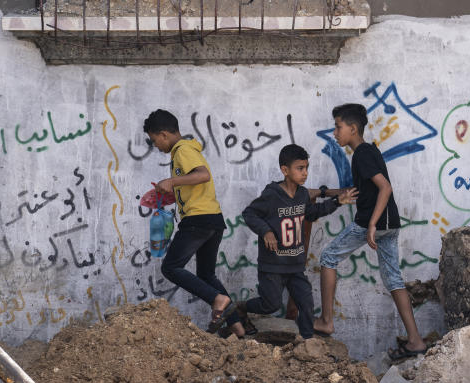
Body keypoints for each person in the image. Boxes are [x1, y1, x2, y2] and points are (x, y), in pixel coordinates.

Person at [315, 103, 428, 360]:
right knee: (394, 280)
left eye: (338, 127)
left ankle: (326, 320)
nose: (334, 132)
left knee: (328, 257)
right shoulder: (369, 152)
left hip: (372, 223)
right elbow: (365, 189)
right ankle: (415, 340)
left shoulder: (362, 154)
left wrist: (373, 223)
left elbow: (385, 188)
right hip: (391, 224)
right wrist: (331, 193)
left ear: (353, 129)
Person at [238, 144, 356, 338]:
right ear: (285, 170)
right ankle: (241, 308)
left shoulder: (302, 194)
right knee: (271, 305)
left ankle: (308, 341)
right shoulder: (272, 195)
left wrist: (336, 202)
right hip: (272, 266)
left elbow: (312, 213)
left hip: (295, 266)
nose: (305, 173)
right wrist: (266, 231)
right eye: (300, 168)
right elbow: (249, 213)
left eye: (306, 168)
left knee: (307, 303)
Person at [144, 109, 244, 336]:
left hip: (198, 219)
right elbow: (195, 182)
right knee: (206, 275)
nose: (156, 146)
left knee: (171, 267)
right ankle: (238, 327)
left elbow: (202, 175)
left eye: (154, 141)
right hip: (213, 219)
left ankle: (217, 299)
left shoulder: (182, 149)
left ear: (163, 135)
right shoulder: (186, 150)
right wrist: (171, 190)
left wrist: (172, 180)